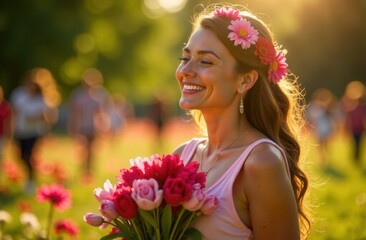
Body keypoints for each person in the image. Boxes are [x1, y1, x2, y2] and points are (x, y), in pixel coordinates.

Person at [173, 4, 310, 240]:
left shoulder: (261, 163)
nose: (185, 70)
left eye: (205, 62)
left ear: (245, 80)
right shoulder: (182, 155)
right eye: (185, 57)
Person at [10, 68, 60, 193]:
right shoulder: (19, 94)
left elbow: (50, 117)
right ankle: (29, 177)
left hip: (35, 132)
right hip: (20, 130)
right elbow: (14, 113)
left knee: (29, 155)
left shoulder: (42, 98)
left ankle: (31, 180)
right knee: (22, 155)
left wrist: (41, 119)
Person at [68, 68, 112, 181]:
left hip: (94, 128)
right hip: (82, 127)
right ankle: (83, 169)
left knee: (91, 150)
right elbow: (75, 113)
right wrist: (73, 127)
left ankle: (89, 171)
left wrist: (103, 126)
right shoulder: (78, 95)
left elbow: (102, 113)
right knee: (83, 150)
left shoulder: (99, 95)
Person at [341, 80, 366, 164]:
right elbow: (348, 120)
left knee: (359, 143)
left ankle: (357, 158)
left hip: (360, 129)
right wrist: (346, 128)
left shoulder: (363, 107)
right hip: (354, 129)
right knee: (355, 143)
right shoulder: (351, 108)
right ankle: (355, 158)